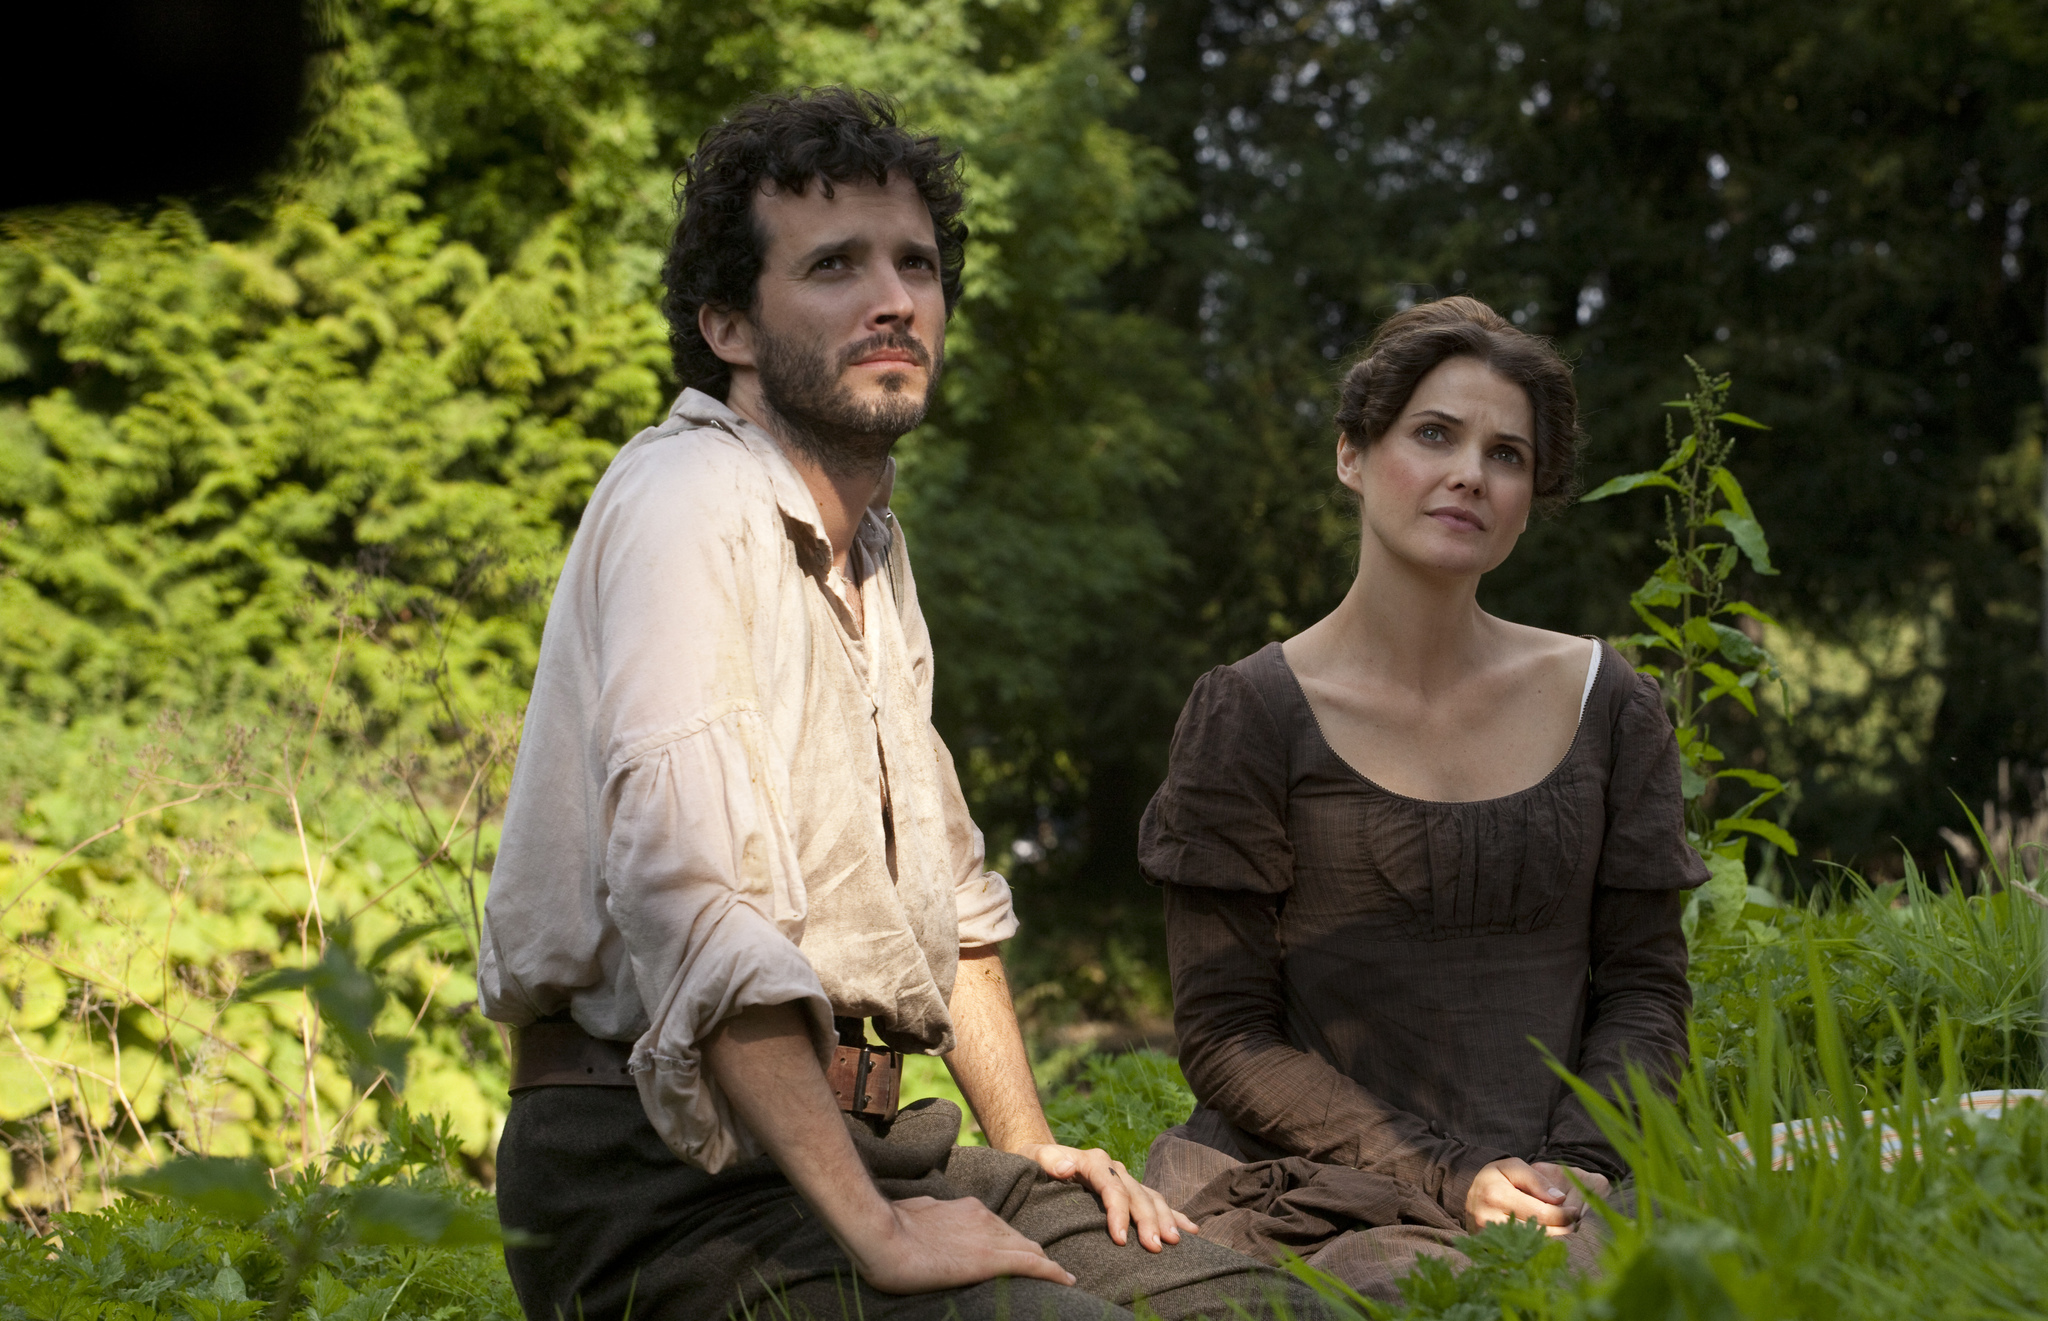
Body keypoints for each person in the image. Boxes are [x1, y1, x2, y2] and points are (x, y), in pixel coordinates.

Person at [480, 87, 1318, 1321]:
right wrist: (874, 1231)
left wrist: (1026, 1150)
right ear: (728, 324)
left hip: (865, 1140)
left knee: (1264, 1306)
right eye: (833, 265)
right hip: (658, 1172)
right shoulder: (685, 506)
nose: (894, 298)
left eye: (915, 264)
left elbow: (958, 911)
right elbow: (690, 902)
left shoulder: (870, 552)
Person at [1136, 296, 1709, 1302]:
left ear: (1533, 492)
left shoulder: (1608, 702)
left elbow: (1644, 990)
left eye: (1506, 455)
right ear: (1352, 454)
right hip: (1333, 1194)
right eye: (1432, 435)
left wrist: (1580, 1166)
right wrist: (1451, 1176)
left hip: (1569, 1185)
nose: (1468, 475)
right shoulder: (1252, 713)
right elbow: (1226, 1033)